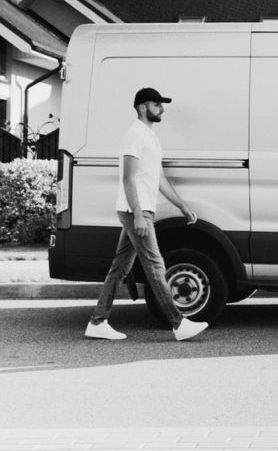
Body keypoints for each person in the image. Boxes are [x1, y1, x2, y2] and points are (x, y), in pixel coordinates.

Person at [85, 87, 209, 341]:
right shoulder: (135, 135)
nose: (162, 109)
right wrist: (139, 215)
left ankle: (97, 322)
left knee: (119, 268)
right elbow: (128, 178)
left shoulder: (150, 136)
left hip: (139, 210)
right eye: (157, 104)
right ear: (143, 107)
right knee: (155, 265)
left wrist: (182, 206)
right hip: (135, 211)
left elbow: (159, 179)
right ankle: (178, 323)